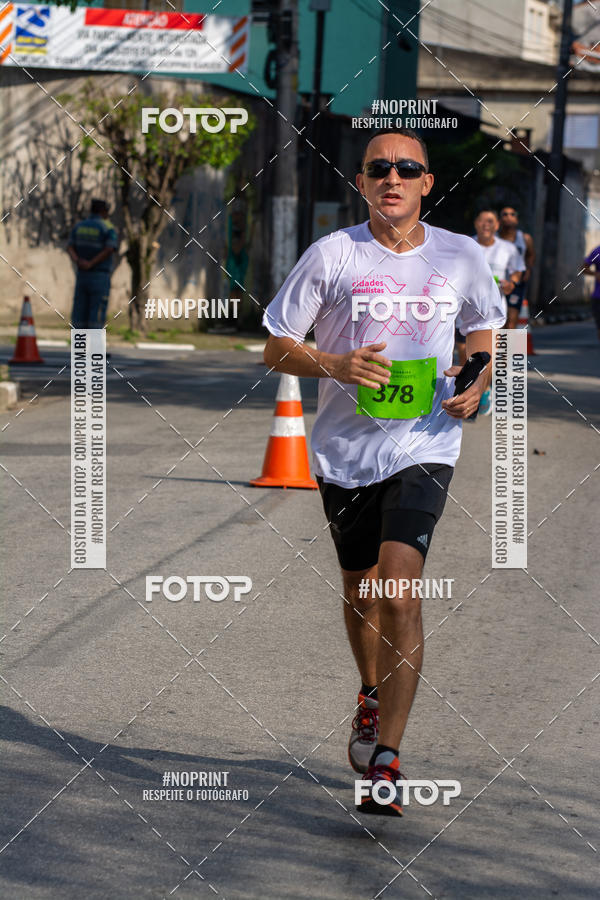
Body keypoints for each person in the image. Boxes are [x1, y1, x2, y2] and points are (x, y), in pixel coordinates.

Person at [262, 128, 505, 816]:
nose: (392, 178)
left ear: (428, 182)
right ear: (362, 182)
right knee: (361, 589)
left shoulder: (461, 255)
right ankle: (370, 693)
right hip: (345, 454)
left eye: (407, 168)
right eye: (379, 169)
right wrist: (333, 365)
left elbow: (484, 329)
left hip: (425, 443)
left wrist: (479, 380)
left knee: (399, 588)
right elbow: (276, 347)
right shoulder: (333, 255)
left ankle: (388, 761)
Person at [471, 209, 524, 415]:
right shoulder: (466, 245)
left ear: (496, 226)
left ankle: (483, 389)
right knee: (464, 351)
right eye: (482, 220)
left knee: (488, 351)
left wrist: (512, 283)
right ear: (476, 224)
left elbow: (518, 270)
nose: (486, 224)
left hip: (494, 307)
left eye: (490, 221)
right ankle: (472, 385)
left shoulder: (508, 248)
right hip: (467, 307)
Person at [67, 199, 118, 328]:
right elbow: (109, 249)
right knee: (97, 313)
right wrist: (91, 263)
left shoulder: (80, 226)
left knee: (79, 313)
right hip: (99, 276)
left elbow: (70, 247)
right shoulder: (107, 228)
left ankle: (79, 347)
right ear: (103, 211)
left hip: (82, 275)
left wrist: (78, 261)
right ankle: (94, 347)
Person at [498, 206, 535, 330]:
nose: (509, 217)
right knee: (498, 322)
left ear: (517, 220)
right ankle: (496, 349)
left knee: (512, 320)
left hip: (516, 283)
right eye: (505, 214)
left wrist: (528, 269)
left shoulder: (525, 238)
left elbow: (530, 255)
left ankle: (512, 349)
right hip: (497, 282)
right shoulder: (494, 239)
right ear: (499, 219)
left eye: (512, 214)